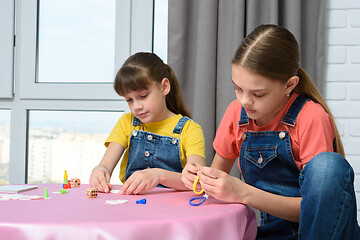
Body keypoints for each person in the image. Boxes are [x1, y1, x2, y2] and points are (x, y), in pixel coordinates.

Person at [182, 24, 359, 239]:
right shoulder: (236, 113)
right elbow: (215, 178)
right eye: (238, 88)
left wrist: (242, 192)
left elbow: (319, 211)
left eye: (258, 93)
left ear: (289, 85)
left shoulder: (311, 116)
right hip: (274, 232)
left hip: (325, 232)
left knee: (327, 166)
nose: (244, 100)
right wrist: (196, 177)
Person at [90, 52, 206, 195]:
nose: (136, 106)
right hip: (132, 206)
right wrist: (99, 171)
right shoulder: (127, 122)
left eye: (143, 96)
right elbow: (104, 166)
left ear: (164, 87)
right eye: (129, 100)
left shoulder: (190, 129)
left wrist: (159, 175)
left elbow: (197, 180)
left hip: (175, 212)